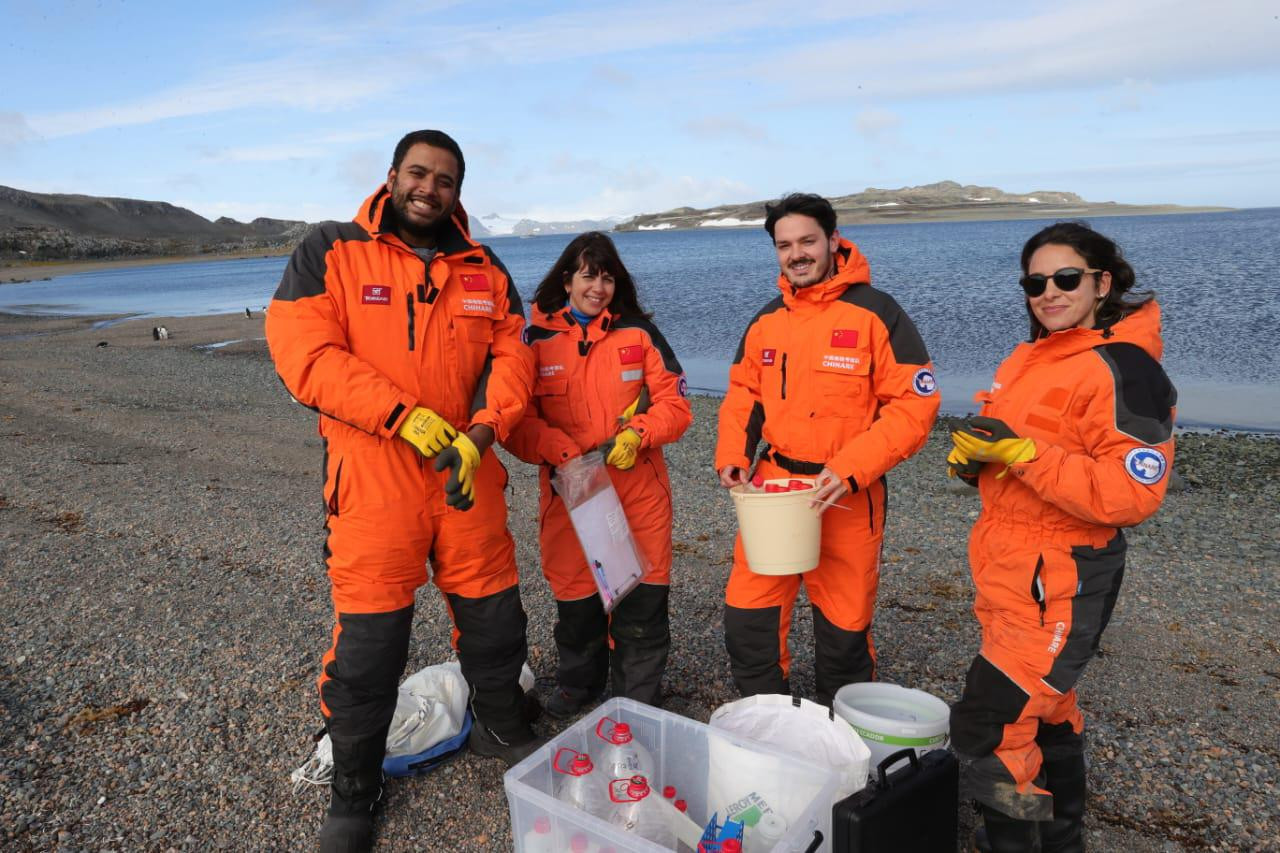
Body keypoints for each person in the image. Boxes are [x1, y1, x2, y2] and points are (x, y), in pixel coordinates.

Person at [265, 129, 540, 852]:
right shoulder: (331, 249)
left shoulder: (485, 268)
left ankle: (501, 726)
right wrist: (399, 414)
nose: (429, 188)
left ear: (458, 192)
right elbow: (303, 352)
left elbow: (513, 356)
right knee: (369, 648)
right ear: (391, 176)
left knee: (496, 620)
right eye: (418, 173)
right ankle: (354, 791)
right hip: (373, 479)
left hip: (465, 472)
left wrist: (483, 431)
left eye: (445, 180)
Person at [946, 222, 1177, 852]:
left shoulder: (1125, 367)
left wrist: (1024, 454)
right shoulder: (1029, 359)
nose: (1049, 292)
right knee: (1047, 708)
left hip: (1065, 576)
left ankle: (1018, 844)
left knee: (988, 728)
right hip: (1009, 567)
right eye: (1035, 282)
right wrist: (977, 461)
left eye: (1066, 278)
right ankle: (1062, 839)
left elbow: (1132, 494)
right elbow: (1014, 448)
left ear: (1102, 283)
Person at [714, 193, 940, 705]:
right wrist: (732, 457)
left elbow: (915, 405)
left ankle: (841, 729)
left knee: (844, 629)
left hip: (847, 492)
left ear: (834, 240)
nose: (797, 254)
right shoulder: (766, 321)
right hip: (774, 489)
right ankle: (768, 718)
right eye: (784, 245)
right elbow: (744, 396)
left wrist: (850, 468)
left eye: (808, 241)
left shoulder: (878, 313)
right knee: (749, 617)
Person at [503, 232, 692, 717]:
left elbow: (676, 405)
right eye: (589, 276)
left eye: (608, 278)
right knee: (576, 596)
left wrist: (639, 433)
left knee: (643, 597)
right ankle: (579, 685)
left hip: (638, 486)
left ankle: (637, 697)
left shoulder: (639, 334)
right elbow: (515, 421)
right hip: (570, 488)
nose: (598, 287)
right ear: (567, 279)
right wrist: (562, 452)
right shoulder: (534, 340)